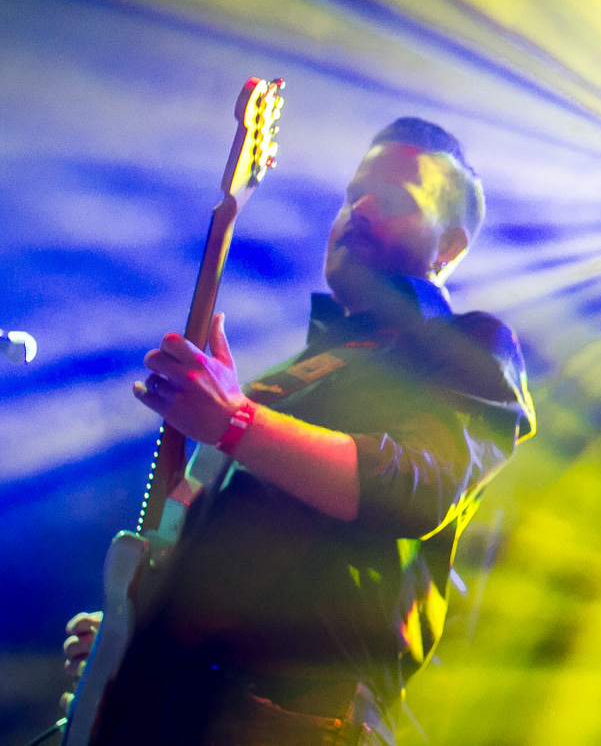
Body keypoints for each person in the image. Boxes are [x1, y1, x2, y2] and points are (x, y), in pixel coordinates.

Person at [63, 117, 533, 746]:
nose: (359, 209)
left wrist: (235, 422)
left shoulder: (471, 346)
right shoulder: (294, 377)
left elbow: (412, 489)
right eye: (353, 194)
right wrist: (138, 636)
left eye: (392, 199)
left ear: (448, 248)